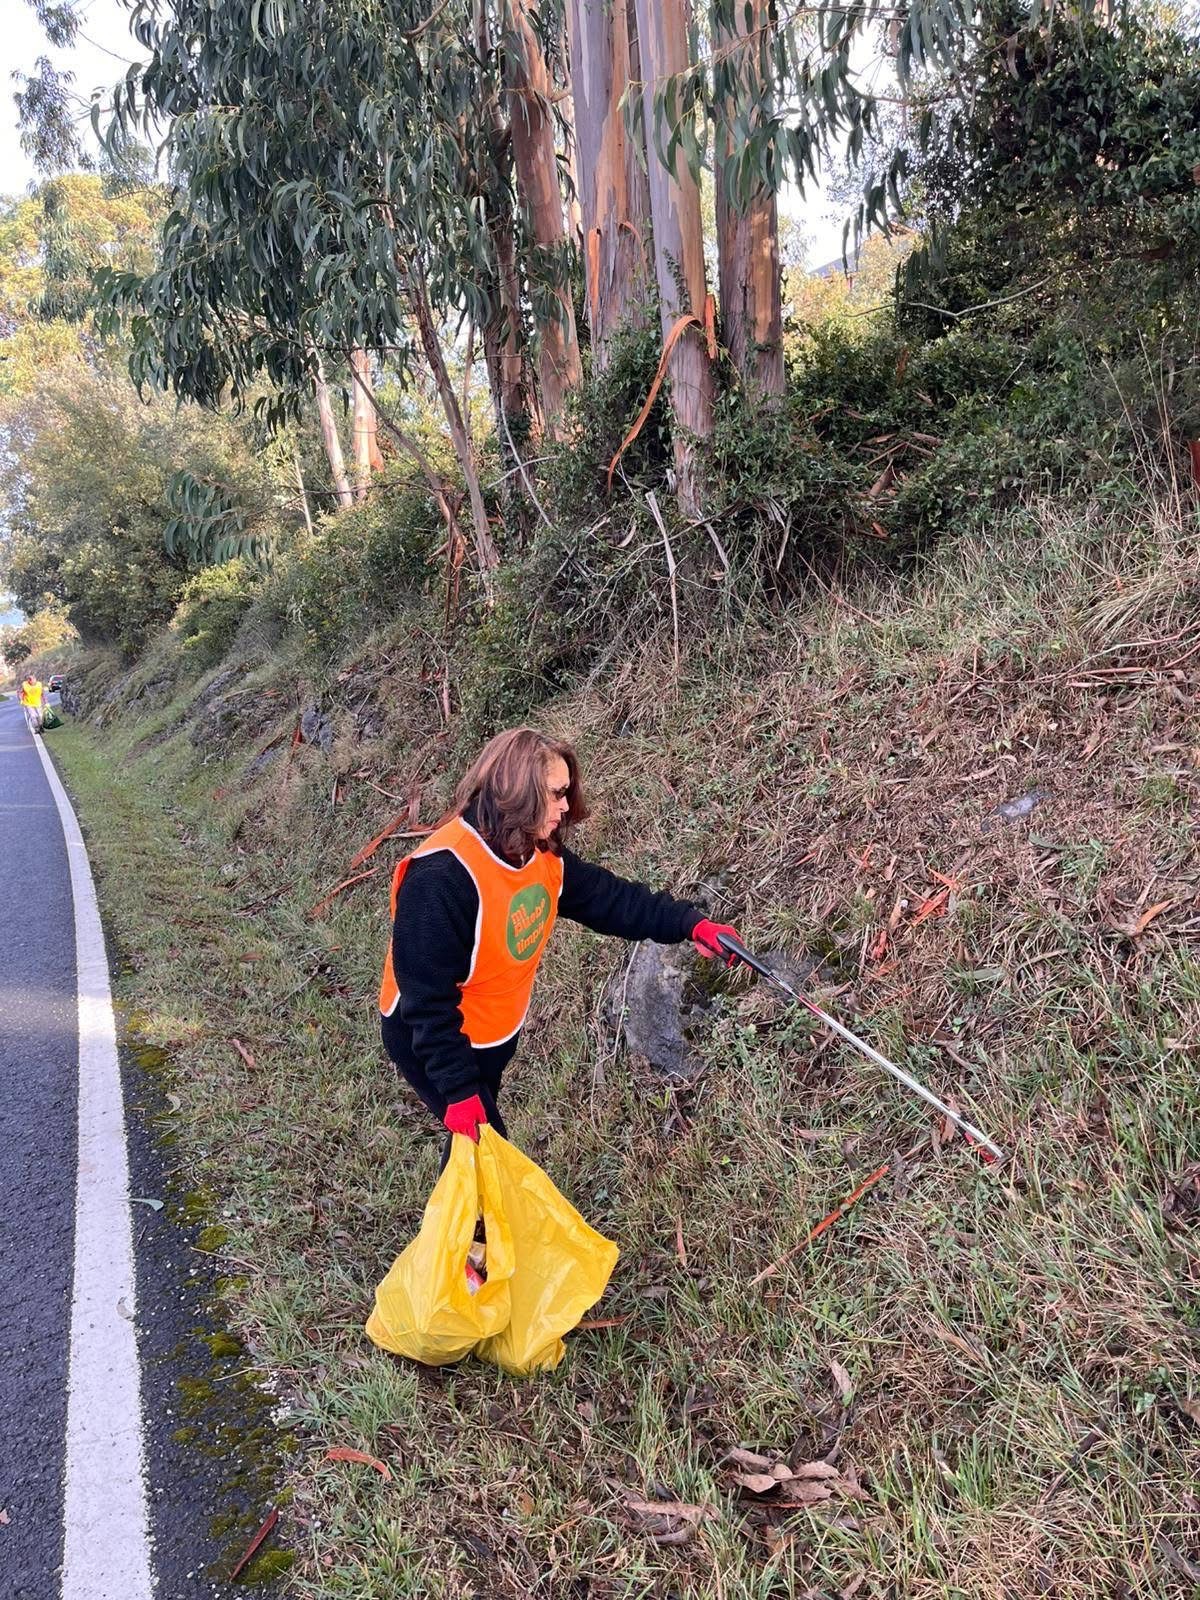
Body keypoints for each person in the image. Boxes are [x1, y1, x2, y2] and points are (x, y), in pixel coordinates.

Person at [379, 727, 742, 1145]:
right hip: (436, 1040)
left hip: (489, 1031)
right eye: (556, 793)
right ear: (517, 791)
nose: (566, 805)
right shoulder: (440, 879)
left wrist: (690, 924)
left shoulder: (534, 853)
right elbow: (426, 999)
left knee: (478, 1156)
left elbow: (612, 900)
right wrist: (457, 1090)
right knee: (486, 1157)